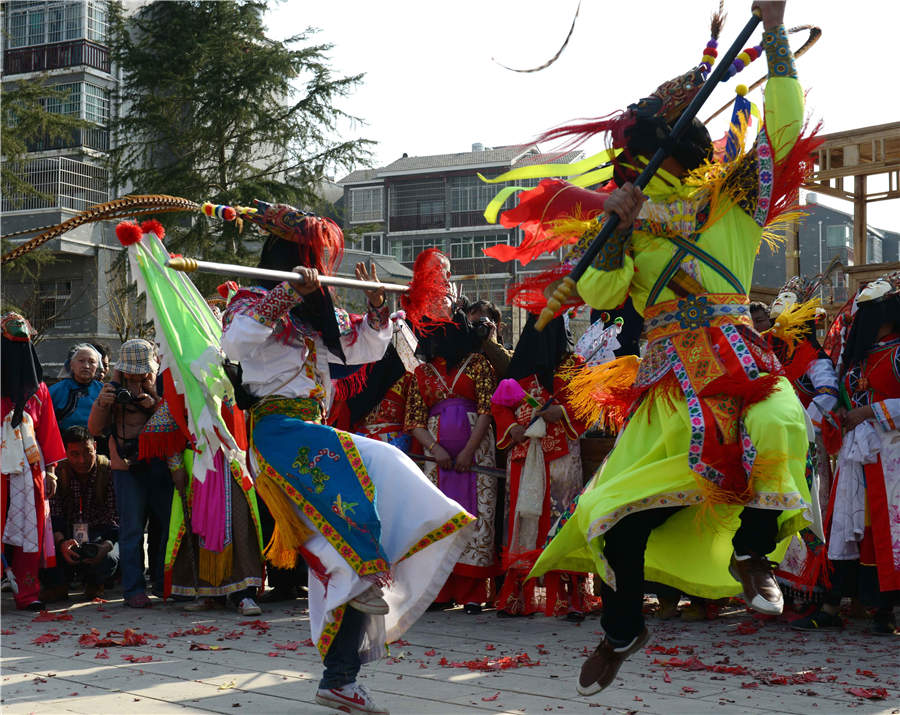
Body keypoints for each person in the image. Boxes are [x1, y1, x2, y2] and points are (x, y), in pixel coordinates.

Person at [486, 1, 817, 695]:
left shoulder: (733, 197)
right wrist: (610, 226)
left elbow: (783, 137)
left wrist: (778, 31)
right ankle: (621, 626)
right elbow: (605, 296)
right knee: (612, 512)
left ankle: (755, 552)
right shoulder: (629, 226)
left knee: (782, 422)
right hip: (669, 382)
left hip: (737, 356)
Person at [220, 200, 476, 715]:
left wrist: (379, 311)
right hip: (277, 432)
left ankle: (341, 678)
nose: (324, 267)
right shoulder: (251, 299)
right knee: (383, 463)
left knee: (341, 561)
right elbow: (236, 342)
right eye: (315, 254)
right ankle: (366, 578)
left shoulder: (319, 311)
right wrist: (287, 292)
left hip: (310, 433)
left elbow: (359, 347)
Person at [794, 272, 900, 635]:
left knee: (886, 532)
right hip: (856, 457)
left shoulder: (899, 352)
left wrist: (869, 412)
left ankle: (884, 610)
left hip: (891, 458)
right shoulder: (857, 359)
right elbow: (844, 398)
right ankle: (831, 605)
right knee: (846, 529)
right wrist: (841, 412)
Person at [491, 314, 596, 619]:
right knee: (523, 521)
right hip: (524, 451)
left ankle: (570, 597)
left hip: (562, 453)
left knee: (561, 519)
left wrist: (562, 411)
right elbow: (500, 405)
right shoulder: (519, 365)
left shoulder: (576, 364)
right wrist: (510, 428)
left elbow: (589, 403)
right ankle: (518, 596)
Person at [139, 373, 264, 615]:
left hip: (232, 463)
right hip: (195, 464)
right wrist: (175, 466)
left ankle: (244, 593)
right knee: (197, 529)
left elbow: (246, 421)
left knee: (238, 526)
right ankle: (206, 593)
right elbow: (170, 427)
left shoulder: (230, 381)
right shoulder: (180, 386)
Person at [405, 308, 499, 615]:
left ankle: (472, 592)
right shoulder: (422, 373)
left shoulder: (479, 364)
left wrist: (469, 450)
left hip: (476, 452)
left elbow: (487, 410)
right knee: (440, 517)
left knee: (476, 514)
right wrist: (435, 449)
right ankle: (441, 590)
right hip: (438, 457)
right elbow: (414, 420)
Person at [88, 338, 173, 608]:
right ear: (122, 369)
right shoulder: (111, 390)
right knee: (132, 529)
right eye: (132, 370)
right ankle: (133, 588)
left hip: (159, 465)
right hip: (126, 467)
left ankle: (164, 582)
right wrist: (104, 403)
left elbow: (173, 424)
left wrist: (152, 402)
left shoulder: (160, 385)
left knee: (168, 525)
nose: (138, 375)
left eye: (143, 370)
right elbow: (94, 430)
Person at [1, 313, 65, 610]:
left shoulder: (40, 390)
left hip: (30, 469)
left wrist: (51, 471)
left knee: (30, 531)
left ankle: (27, 593)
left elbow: (48, 431)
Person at [40, 426, 118, 603]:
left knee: (109, 557)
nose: (82, 460)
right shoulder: (58, 473)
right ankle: (58, 586)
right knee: (47, 548)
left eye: (87, 452)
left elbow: (115, 519)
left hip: (100, 535)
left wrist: (104, 546)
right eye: (74, 454)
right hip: (66, 535)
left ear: (95, 447)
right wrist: (61, 544)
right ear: (65, 451)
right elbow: (54, 516)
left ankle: (96, 583)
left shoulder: (109, 471)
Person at [49, 343, 104, 431]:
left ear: (97, 366)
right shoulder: (55, 391)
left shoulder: (103, 391)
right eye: (81, 361)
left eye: (92, 362)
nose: (86, 366)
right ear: (71, 364)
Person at [467, 299, 513, 377]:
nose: (478, 330)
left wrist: (491, 343)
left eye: (482, 325)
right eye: (473, 325)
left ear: (495, 326)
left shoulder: (506, 353)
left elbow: (510, 370)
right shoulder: (461, 352)